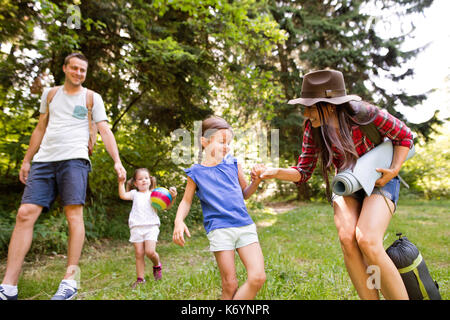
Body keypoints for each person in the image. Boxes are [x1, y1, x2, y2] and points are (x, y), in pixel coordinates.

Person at [253, 69, 414, 300]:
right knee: (348, 238)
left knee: (367, 240)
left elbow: (405, 136)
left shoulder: (367, 114)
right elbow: (303, 171)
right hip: (347, 184)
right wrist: (275, 172)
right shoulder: (313, 128)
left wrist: (394, 169)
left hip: (380, 179)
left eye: (310, 106)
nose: (306, 113)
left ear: (328, 105)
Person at [0, 52, 126, 301]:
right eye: (75, 68)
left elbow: (104, 130)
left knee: (73, 216)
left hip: (74, 160)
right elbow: (40, 128)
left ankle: (69, 282)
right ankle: (8, 286)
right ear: (65, 69)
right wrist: (27, 159)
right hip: (44, 161)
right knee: (25, 214)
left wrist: (117, 161)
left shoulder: (91, 98)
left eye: (83, 70)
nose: (79, 73)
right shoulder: (50, 94)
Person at [173, 116, 267, 300]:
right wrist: (178, 221)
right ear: (204, 142)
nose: (227, 147)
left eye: (229, 142)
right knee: (230, 285)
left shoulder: (233, 164)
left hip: (244, 226)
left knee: (258, 277)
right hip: (220, 230)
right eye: (222, 141)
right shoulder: (196, 172)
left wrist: (257, 181)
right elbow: (186, 201)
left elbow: (245, 194)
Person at [118, 168, 177, 288]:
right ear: (135, 183)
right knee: (139, 254)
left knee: (150, 252)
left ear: (150, 180)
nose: (143, 180)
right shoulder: (135, 194)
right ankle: (140, 279)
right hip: (136, 227)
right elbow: (123, 195)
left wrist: (173, 197)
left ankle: (157, 265)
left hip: (151, 227)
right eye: (140, 179)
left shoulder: (155, 194)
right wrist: (120, 182)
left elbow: (167, 207)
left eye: (146, 178)